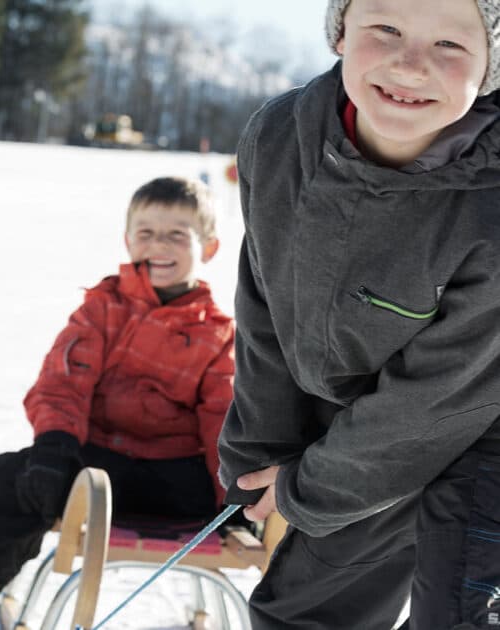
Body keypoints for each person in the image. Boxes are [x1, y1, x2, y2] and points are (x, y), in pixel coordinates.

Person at [217, 1, 500, 628]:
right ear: (342, 32)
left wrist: (309, 490)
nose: (411, 65)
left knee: (457, 613)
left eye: (450, 46)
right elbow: (267, 304)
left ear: (491, 67)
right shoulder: (280, 140)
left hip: (482, 421)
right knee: (300, 616)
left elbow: (440, 399)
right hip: (366, 426)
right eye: (388, 30)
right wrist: (259, 453)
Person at [0, 176, 235, 630]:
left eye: (176, 234)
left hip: (175, 480)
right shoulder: (102, 309)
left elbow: (224, 417)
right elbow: (65, 380)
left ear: (210, 247)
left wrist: (233, 493)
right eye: (146, 232)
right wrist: (55, 446)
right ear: (127, 240)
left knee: (213, 456)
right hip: (96, 472)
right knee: (8, 478)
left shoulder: (219, 334)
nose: (158, 244)